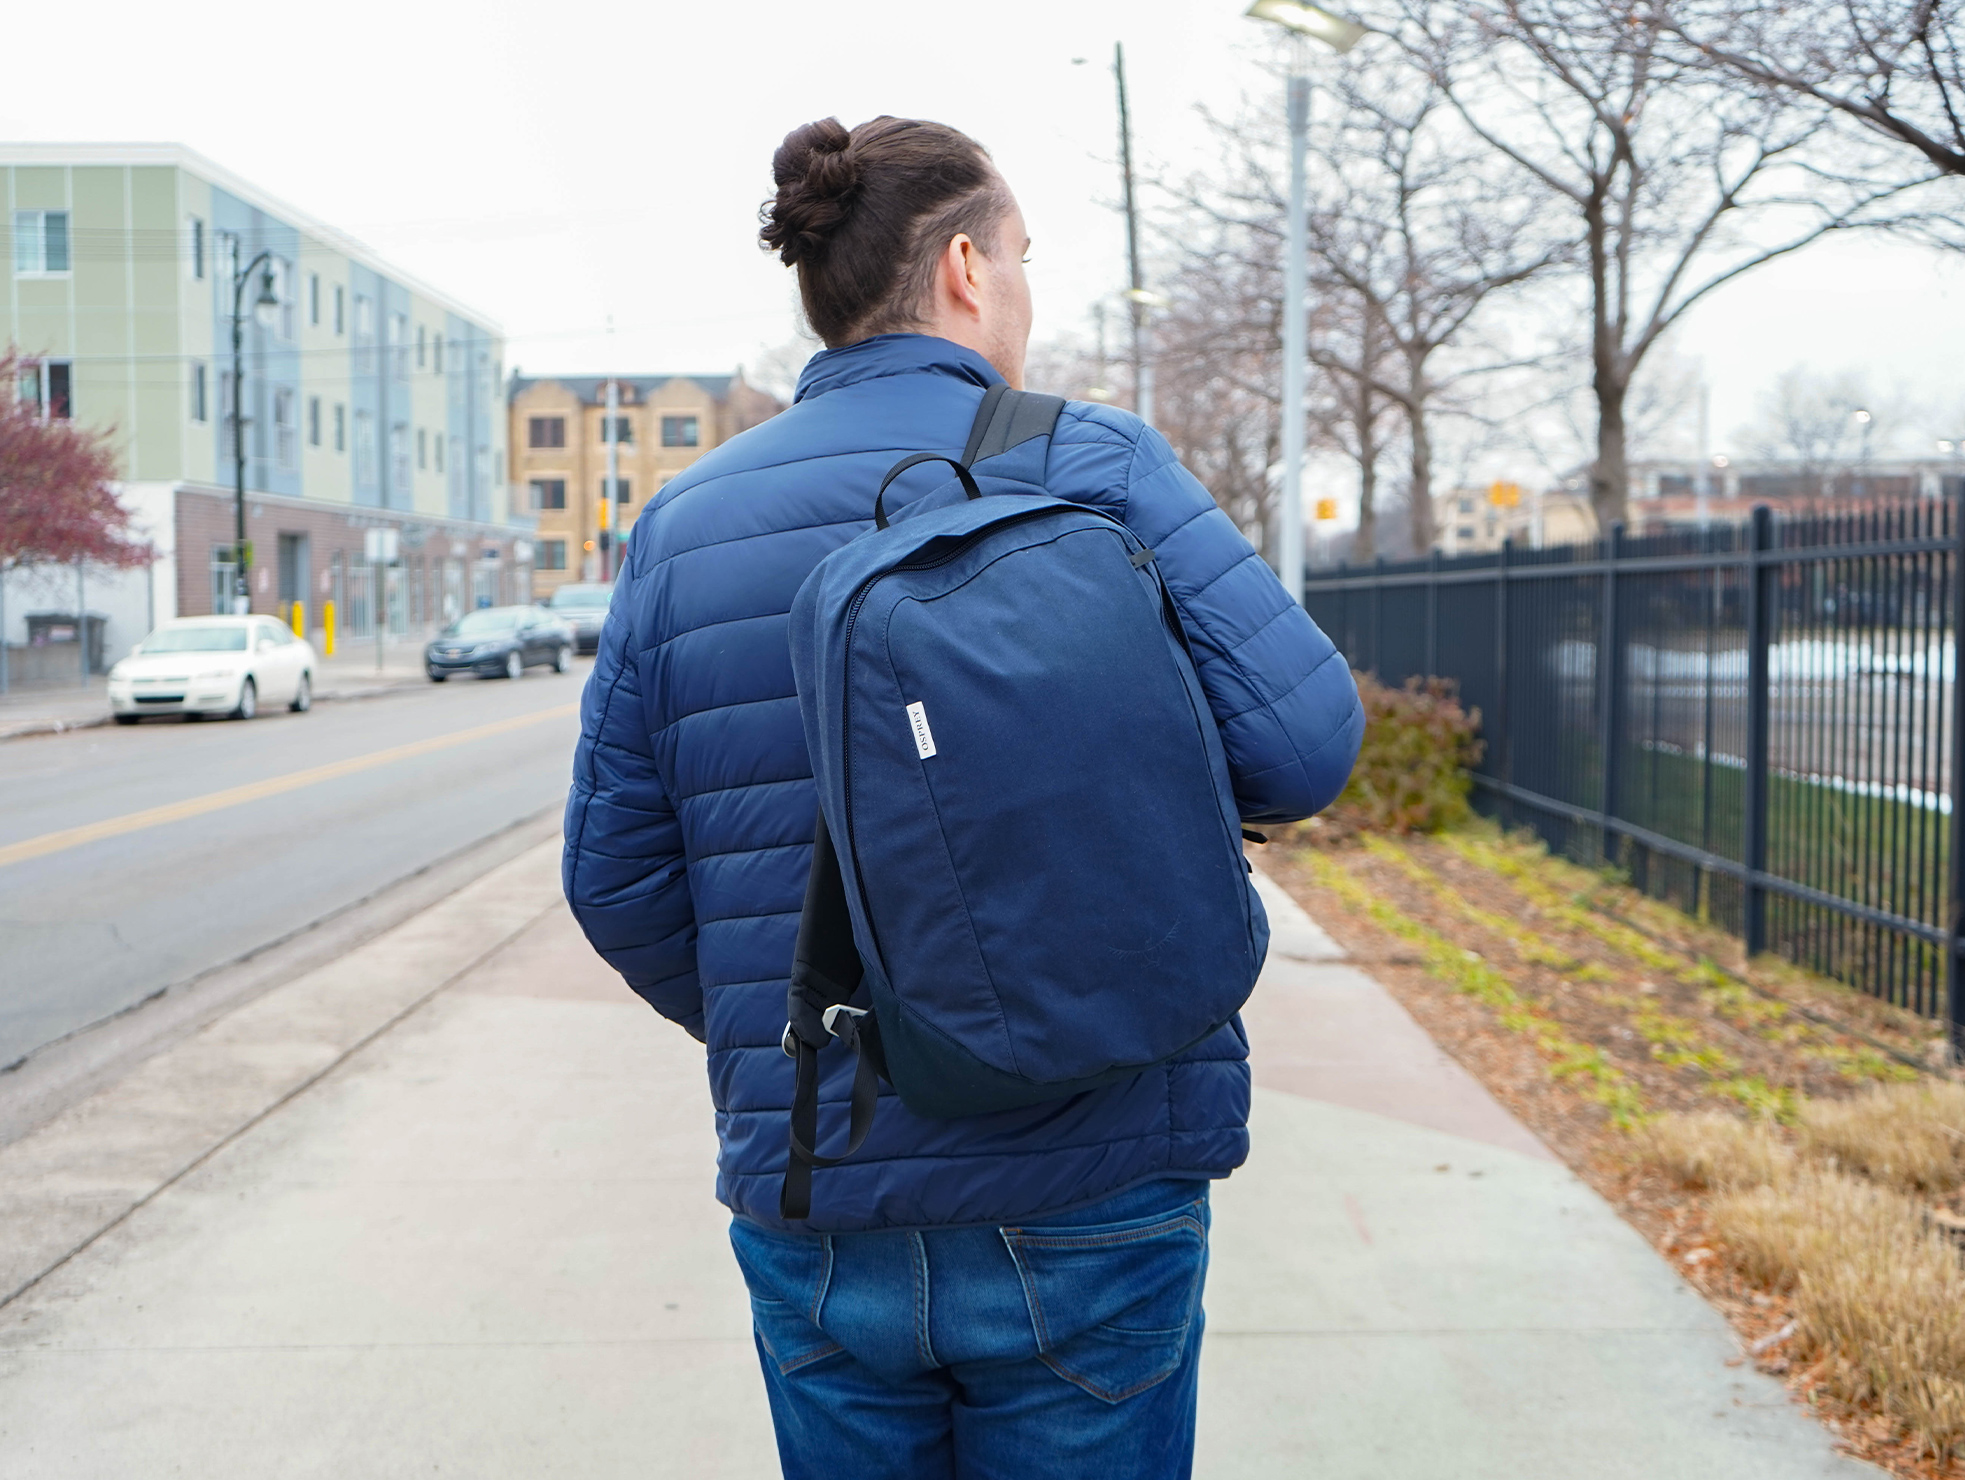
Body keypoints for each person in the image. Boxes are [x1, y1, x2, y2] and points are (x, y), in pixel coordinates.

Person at [563, 115, 1364, 1479]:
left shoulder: (683, 528)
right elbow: (1303, 745)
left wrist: (830, 1017)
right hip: (1090, 1167)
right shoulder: (1091, 467)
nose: (1028, 289)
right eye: (1025, 255)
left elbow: (617, 882)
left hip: (823, 1186)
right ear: (965, 271)